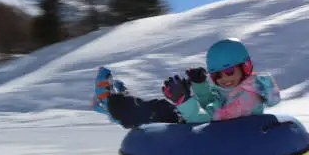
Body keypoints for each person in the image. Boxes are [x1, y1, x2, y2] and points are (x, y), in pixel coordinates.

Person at [92, 38, 281, 128]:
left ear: (245, 66)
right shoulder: (237, 87)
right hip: (204, 128)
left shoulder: (246, 99)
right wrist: (199, 84)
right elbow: (210, 104)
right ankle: (121, 104)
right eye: (217, 75)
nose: (224, 79)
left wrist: (184, 102)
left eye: (229, 71)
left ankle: (113, 105)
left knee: (160, 112)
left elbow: (211, 120)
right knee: (161, 107)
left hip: (213, 138)